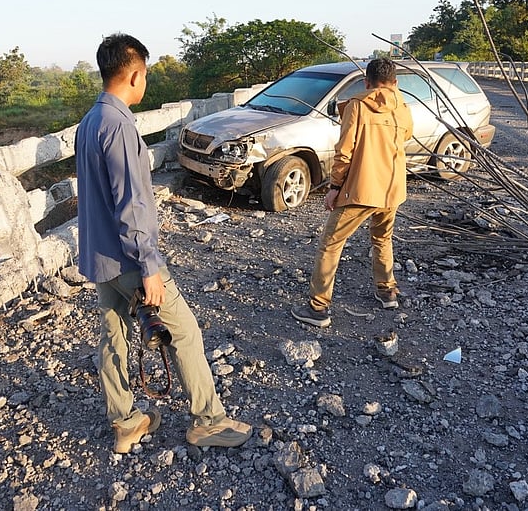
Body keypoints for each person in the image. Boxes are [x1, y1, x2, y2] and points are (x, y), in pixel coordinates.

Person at [75, 33, 252, 454]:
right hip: (129, 260)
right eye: (146, 75)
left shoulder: (90, 121)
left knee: (114, 334)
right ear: (135, 74)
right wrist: (150, 267)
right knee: (185, 332)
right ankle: (208, 421)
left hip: (100, 256)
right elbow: (131, 206)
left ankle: (126, 422)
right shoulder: (118, 127)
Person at [291, 58, 414, 328]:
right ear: (395, 83)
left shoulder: (357, 106)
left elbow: (344, 151)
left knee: (330, 244)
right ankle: (387, 291)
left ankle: (318, 308)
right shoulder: (403, 107)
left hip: (361, 189)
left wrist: (335, 188)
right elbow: (406, 137)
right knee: (382, 238)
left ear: (367, 83)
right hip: (392, 189)